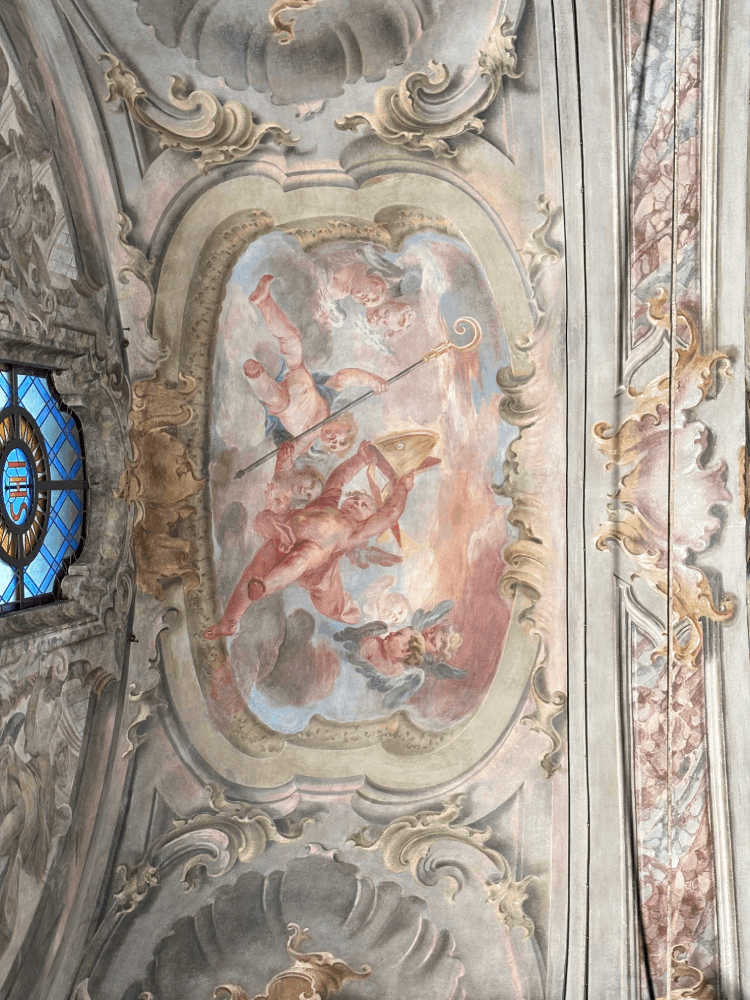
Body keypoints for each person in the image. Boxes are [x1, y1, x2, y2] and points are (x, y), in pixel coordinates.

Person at [204, 441, 415, 637]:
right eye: (356, 498)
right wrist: (360, 459)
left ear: (370, 518)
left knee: (298, 562)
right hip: (286, 532)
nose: (357, 503)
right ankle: (229, 623)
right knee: (251, 573)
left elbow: (390, 513)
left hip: (314, 549)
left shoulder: (356, 530)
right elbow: (339, 477)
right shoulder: (328, 502)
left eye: (364, 506)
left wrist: (403, 488)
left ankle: (265, 586)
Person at [245, 274, 388, 461]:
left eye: (332, 446)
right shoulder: (328, 402)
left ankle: (256, 375)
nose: (333, 441)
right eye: (341, 440)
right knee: (293, 339)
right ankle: (264, 301)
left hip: (280, 404)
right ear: (345, 425)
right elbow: (343, 378)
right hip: (294, 370)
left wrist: (286, 456)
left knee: (277, 400)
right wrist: (371, 380)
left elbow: (290, 458)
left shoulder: (307, 441)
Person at [360, 627, 426, 676]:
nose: (391, 633)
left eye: (398, 634)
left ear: (407, 651)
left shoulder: (397, 670)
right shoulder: (372, 644)